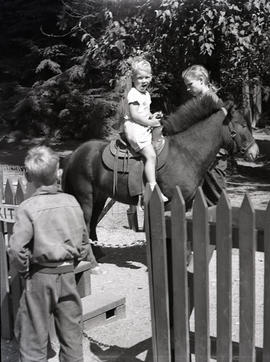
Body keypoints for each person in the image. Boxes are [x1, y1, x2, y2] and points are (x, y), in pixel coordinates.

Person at [8, 145, 96, 362]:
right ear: (58, 173)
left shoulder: (28, 207)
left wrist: (24, 270)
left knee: (33, 336)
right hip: (67, 276)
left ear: (29, 177)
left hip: (39, 277)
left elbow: (17, 248)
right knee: (71, 334)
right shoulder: (72, 202)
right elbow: (84, 241)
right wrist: (78, 260)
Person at [182, 64, 229, 204]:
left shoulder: (212, 99)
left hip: (215, 158)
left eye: (190, 84)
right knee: (203, 196)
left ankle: (222, 223)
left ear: (201, 80)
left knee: (217, 194)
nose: (187, 88)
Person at [123, 57, 168, 202]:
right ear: (133, 79)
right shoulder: (133, 94)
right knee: (151, 155)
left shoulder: (146, 94)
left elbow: (145, 113)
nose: (144, 81)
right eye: (140, 78)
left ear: (151, 77)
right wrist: (152, 123)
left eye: (147, 77)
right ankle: (153, 187)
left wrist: (152, 116)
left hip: (143, 126)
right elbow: (135, 115)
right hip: (135, 129)